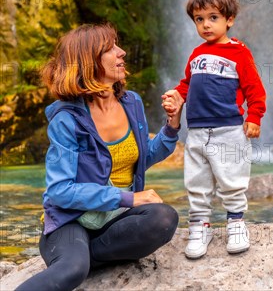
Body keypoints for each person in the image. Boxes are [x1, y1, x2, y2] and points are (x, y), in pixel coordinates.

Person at [17, 23, 182, 291]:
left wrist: (172, 126)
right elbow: (59, 191)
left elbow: (143, 157)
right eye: (111, 48)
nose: (123, 52)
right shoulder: (67, 119)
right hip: (73, 220)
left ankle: (83, 255)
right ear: (88, 62)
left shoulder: (132, 102)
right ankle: (74, 257)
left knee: (163, 219)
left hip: (115, 220)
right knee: (73, 270)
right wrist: (128, 197)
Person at [163, 0, 266, 259]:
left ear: (229, 20)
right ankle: (200, 226)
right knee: (196, 181)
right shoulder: (197, 54)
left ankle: (235, 223)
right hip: (196, 131)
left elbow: (255, 89)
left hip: (230, 129)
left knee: (232, 178)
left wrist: (254, 116)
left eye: (213, 18)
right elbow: (187, 84)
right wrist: (176, 97)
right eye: (199, 19)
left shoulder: (239, 53)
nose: (206, 25)